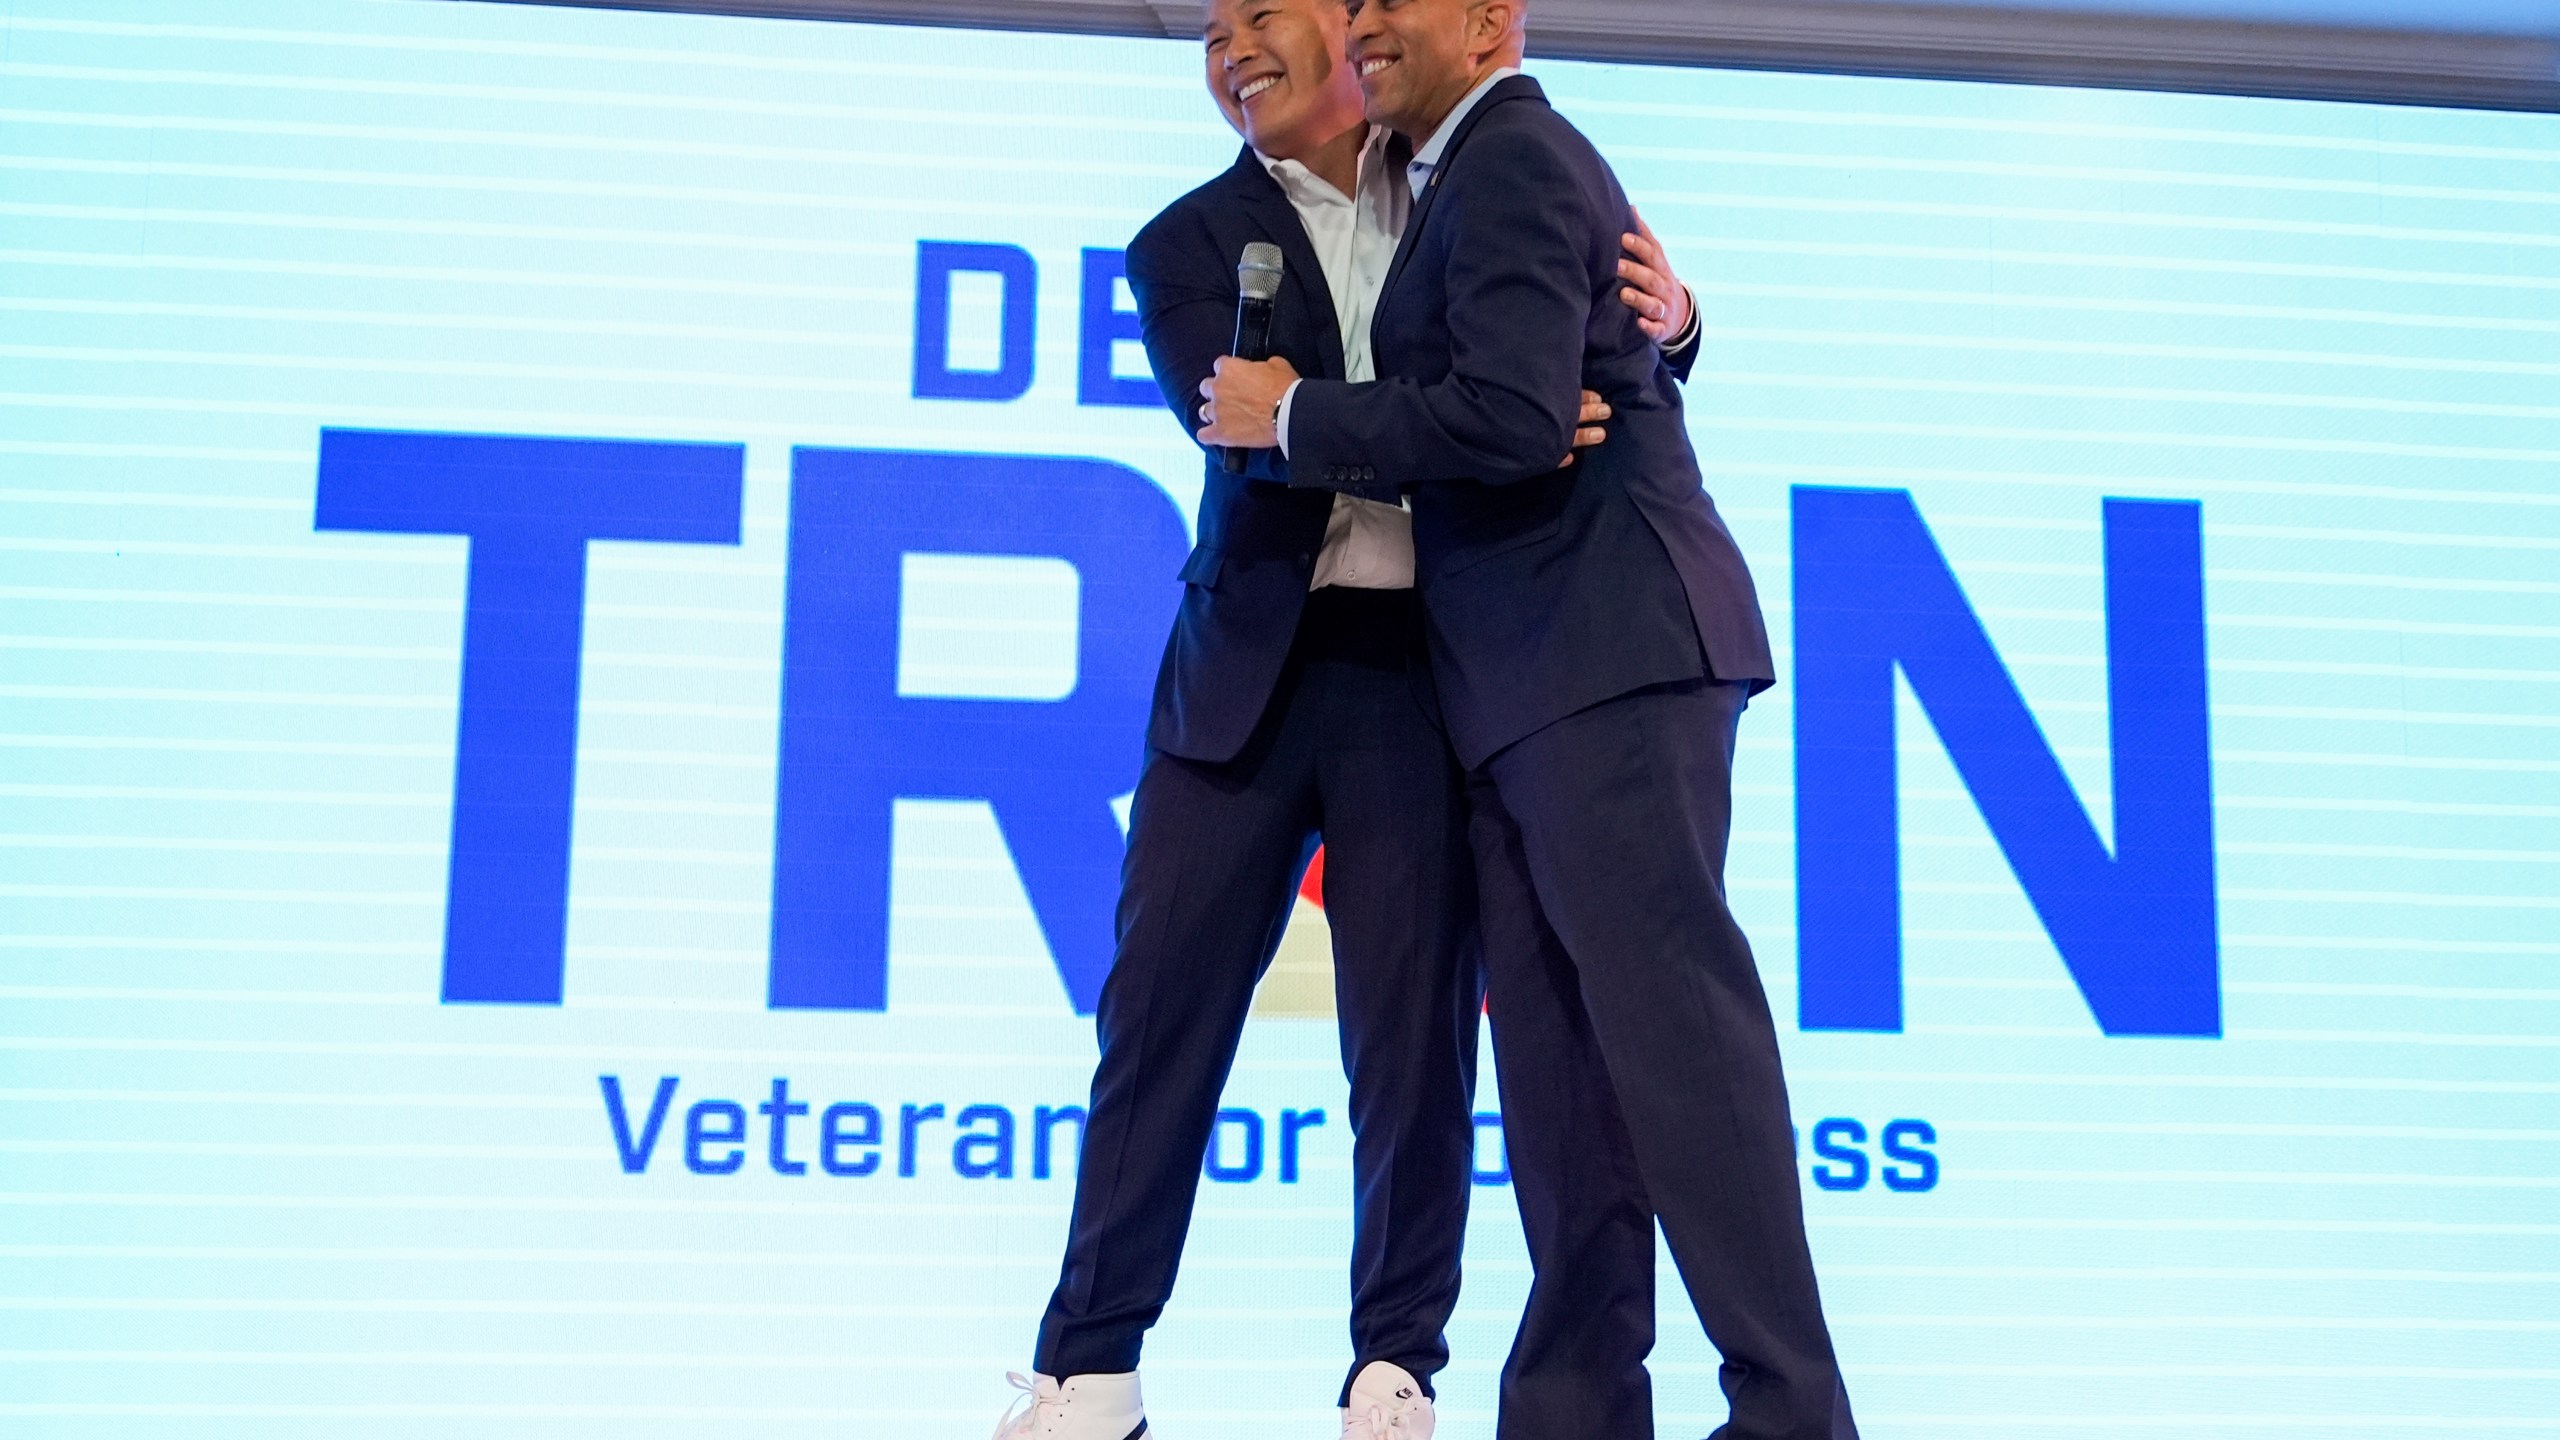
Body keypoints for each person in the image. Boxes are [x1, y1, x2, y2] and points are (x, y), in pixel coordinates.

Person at [993, 1, 1702, 1436]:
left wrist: (1677, 327)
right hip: (1243, 679)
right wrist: (1487, 420)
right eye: (1210, 29)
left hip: (1416, 669)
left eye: (1265, 12)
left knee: (1412, 1033)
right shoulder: (1186, 241)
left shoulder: (1465, 167)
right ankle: (1089, 1369)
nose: (1232, 45)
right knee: (1158, 1019)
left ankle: (1395, 1371)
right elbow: (1250, 440)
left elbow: (1574, 321)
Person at [1196, 1, 1859, 1436]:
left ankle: (1791, 1409)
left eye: (1392, 1)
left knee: (1678, 1040)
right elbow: (1522, 396)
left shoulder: (1511, 157)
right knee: (1561, 1071)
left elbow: (1507, 416)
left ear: (1492, 21)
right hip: (1516, 688)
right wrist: (1635, 346)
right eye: (1352, 2)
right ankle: (1571, 1404)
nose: (1364, 23)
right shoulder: (1463, 176)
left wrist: (1297, 416)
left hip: (1605, 652)